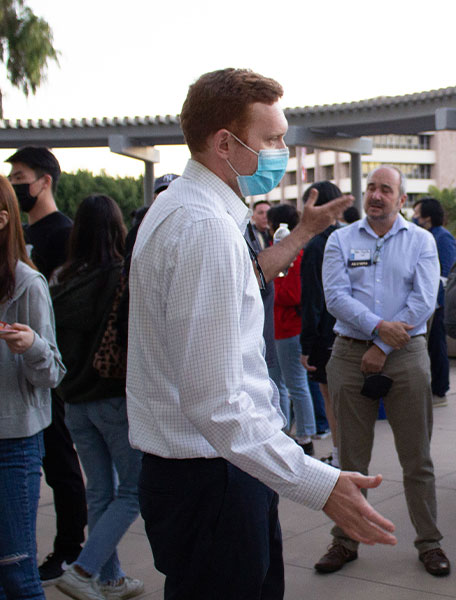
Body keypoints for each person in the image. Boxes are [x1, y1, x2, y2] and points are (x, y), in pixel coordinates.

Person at [127, 68, 395, 600]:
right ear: (224, 143)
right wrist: (319, 484)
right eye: (271, 139)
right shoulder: (203, 227)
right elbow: (216, 403)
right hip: (214, 478)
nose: (283, 151)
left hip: (211, 472)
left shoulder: (192, 211)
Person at [316, 165, 450, 577]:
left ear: (401, 199)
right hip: (349, 354)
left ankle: (429, 543)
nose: (376, 195)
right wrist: (376, 331)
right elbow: (335, 297)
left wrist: (383, 345)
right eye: (371, 188)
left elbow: (425, 299)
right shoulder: (340, 239)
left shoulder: (421, 241)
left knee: (417, 458)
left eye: (386, 189)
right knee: (350, 459)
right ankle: (345, 540)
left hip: (407, 353)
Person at [50, 194, 145, 600]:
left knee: (100, 491)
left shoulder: (60, 280)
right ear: (117, 230)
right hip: (112, 398)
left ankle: (111, 579)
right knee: (134, 491)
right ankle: (84, 569)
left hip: (73, 401)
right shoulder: (121, 277)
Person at [6, 146, 88, 585]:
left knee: (60, 463)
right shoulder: (20, 234)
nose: (17, 185)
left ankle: (71, 545)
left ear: (45, 181)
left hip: (50, 372)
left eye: (22, 177)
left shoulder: (64, 234)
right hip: (18, 373)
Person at [0, 175, 66, 599]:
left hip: (13, 445)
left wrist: (32, 346)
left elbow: (52, 373)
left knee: (16, 571)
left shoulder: (27, 283)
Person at [300, 181, 344, 467]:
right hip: (349, 329)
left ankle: (341, 456)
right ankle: (347, 454)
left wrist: (306, 345)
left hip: (325, 334)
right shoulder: (347, 237)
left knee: (331, 399)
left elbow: (312, 298)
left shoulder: (316, 245)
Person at [267, 202, 316, 454]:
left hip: (289, 327)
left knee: (295, 383)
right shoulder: (289, 251)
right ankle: (283, 430)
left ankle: (305, 435)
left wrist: (266, 288)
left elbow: (292, 293)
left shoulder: (292, 253)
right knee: (278, 384)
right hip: (279, 326)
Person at [412, 197, 456, 406]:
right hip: (425, 303)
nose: (414, 217)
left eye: (417, 213)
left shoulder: (443, 238)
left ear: (427, 216)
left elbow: (446, 274)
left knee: (437, 347)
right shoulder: (424, 236)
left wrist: (436, 301)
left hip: (437, 304)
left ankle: (440, 392)